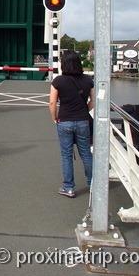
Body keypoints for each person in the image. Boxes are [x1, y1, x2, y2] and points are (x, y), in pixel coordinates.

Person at [48, 51, 94, 198]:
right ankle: (93, 184)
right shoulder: (88, 80)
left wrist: (54, 117)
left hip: (65, 121)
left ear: (63, 64)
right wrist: (83, 110)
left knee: (66, 155)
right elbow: (93, 101)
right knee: (86, 154)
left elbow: (52, 102)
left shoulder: (58, 81)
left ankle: (68, 188)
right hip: (83, 121)